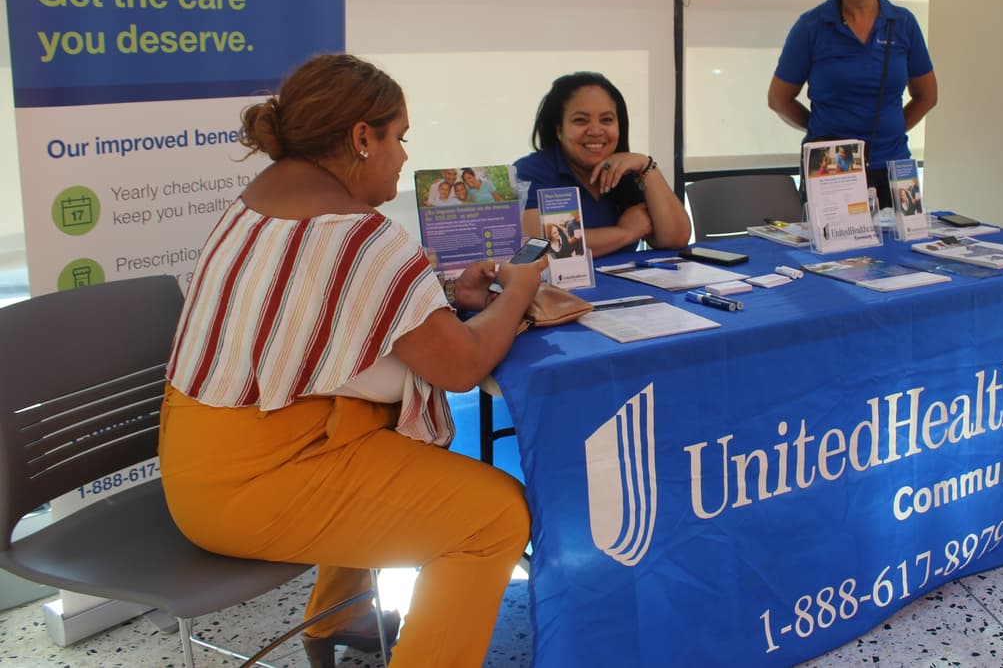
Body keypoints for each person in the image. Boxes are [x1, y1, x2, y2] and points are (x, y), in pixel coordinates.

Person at [159, 53, 545, 668]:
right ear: (363, 138)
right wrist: (519, 292)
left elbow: (323, 320)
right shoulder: (359, 234)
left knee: (391, 427)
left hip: (200, 463)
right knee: (495, 519)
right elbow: (463, 365)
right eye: (400, 139)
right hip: (252, 487)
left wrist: (443, 299)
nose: (403, 157)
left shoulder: (256, 203)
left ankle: (341, 614)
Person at [768, 0, 938, 208]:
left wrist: (892, 131)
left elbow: (927, 95)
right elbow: (778, 99)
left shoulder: (904, 24)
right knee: (835, 255)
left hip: (896, 164)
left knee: (908, 252)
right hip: (831, 164)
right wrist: (823, 133)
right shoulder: (811, 27)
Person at [515, 71, 690, 257]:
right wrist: (626, 233)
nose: (596, 130)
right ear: (559, 129)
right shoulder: (531, 171)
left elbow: (675, 239)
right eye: (580, 120)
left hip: (626, 284)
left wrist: (645, 165)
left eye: (606, 120)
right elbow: (547, 247)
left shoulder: (627, 171)